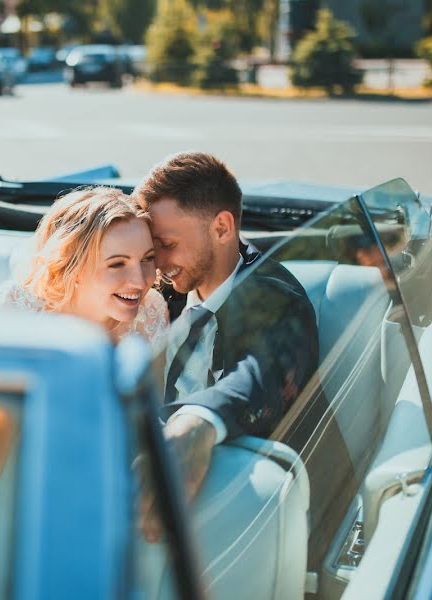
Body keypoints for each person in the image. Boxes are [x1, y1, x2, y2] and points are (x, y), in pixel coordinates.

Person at [133, 151, 356, 568]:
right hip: (156, 503)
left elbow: (262, 373)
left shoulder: (277, 298)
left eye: (166, 245)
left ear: (221, 227)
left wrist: (197, 422)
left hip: (261, 522)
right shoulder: (161, 290)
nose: (157, 266)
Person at [0, 186, 169, 346]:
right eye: (117, 264)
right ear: (72, 266)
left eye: (147, 258)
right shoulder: (16, 307)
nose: (139, 281)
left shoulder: (151, 310)